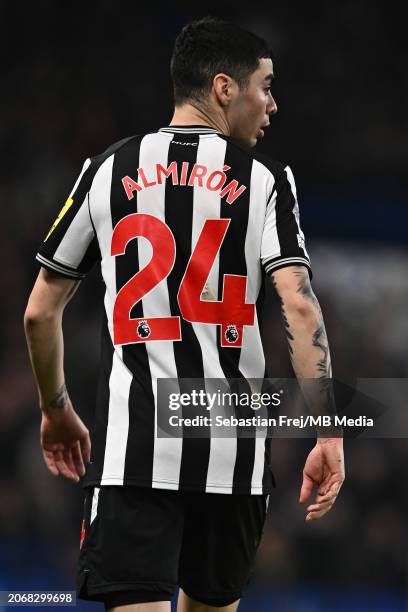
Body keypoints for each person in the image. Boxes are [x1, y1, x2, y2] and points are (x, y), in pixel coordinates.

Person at [24, 16, 345, 612]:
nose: (271, 104)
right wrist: (329, 431)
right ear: (225, 88)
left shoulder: (106, 169)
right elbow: (299, 306)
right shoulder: (267, 179)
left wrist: (55, 410)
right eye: (265, 86)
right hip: (233, 454)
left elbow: (40, 313)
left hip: (133, 453)